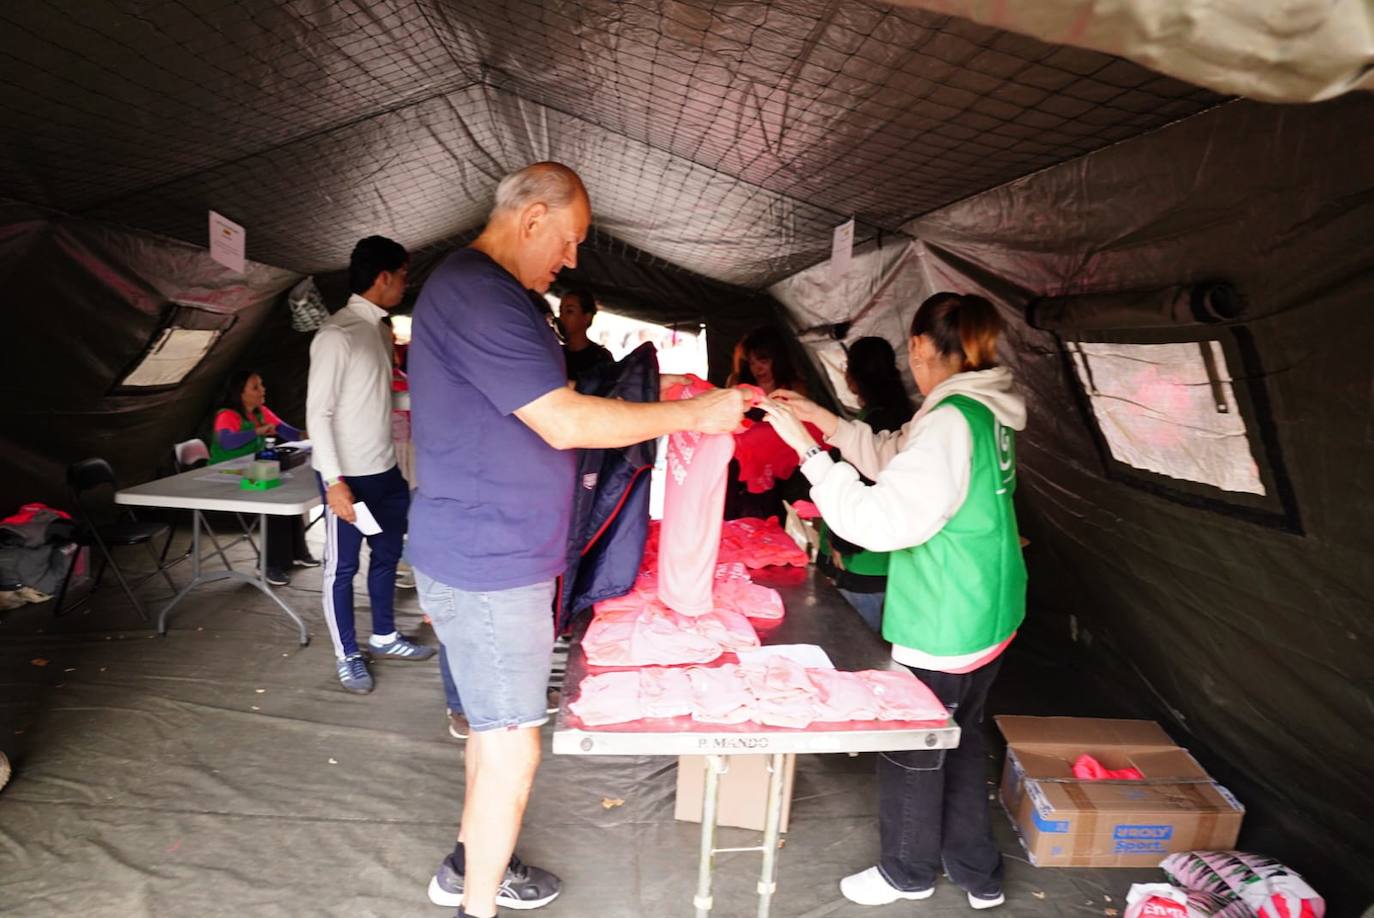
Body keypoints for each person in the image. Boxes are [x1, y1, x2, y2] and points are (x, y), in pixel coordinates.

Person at [407, 162, 745, 918]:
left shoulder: (501, 296)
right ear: (531, 220)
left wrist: (669, 400)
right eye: (568, 241)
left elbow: (550, 407)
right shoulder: (476, 290)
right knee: (513, 743)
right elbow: (562, 421)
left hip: (493, 551)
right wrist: (692, 418)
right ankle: (478, 905)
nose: (571, 260)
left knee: (494, 730)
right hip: (490, 562)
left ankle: (471, 865)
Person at [763, 292, 1026, 911]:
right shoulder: (984, 409)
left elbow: (881, 522)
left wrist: (807, 455)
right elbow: (895, 457)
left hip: (948, 614)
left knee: (915, 743)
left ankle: (907, 871)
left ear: (918, 347)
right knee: (959, 736)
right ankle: (978, 873)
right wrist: (823, 422)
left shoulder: (951, 419)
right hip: (989, 604)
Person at [306, 235, 435, 696]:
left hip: (384, 472)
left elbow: (380, 397)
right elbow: (317, 415)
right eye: (402, 275)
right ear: (383, 277)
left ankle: (384, 635)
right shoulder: (336, 335)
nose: (405, 284)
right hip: (349, 478)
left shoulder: (379, 332)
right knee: (341, 569)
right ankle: (347, 654)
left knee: (385, 557)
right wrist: (334, 482)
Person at [816, 336, 914, 631]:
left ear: (852, 375)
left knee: (855, 648)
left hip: (861, 559)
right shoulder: (908, 417)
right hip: (894, 559)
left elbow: (860, 486)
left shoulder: (872, 423)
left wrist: (839, 541)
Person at [208, 369, 315, 586]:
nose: (262, 390)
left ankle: (296, 552)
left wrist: (318, 430)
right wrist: (257, 431)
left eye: (261, 385)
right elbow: (226, 442)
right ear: (240, 392)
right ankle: (269, 565)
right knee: (275, 501)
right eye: (255, 386)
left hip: (249, 473)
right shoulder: (227, 415)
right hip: (223, 475)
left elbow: (291, 433)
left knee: (287, 495)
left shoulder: (260, 412)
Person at [724, 325, 809, 520]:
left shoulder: (794, 388)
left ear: (777, 359)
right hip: (739, 472)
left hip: (778, 473)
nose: (757, 368)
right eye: (752, 362)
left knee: (770, 521)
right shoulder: (741, 385)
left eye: (763, 360)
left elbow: (802, 429)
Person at [557, 285, 613, 381]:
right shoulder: (556, 352)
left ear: (587, 318)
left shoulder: (600, 358)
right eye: (561, 311)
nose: (561, 316)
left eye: (569, 311)